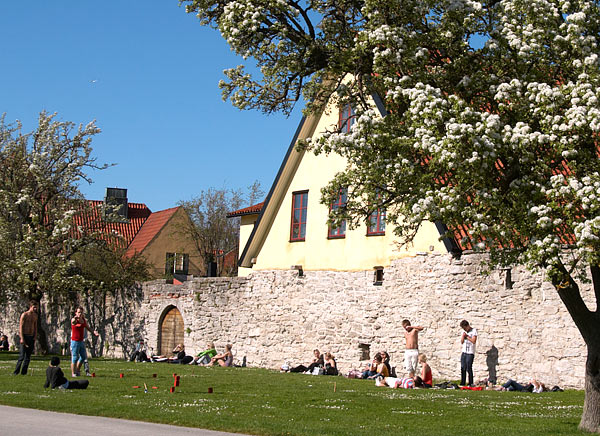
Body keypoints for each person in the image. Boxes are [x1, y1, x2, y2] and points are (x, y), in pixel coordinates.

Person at [70, 306, 99, 377]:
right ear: (76, 313)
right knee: (75, 357)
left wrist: (94, 332)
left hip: (81, 341)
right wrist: (75, 319)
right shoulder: (74, 319)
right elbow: (73, 322)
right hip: (75, 341)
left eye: (81, 312)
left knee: (83, 357)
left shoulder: (83, 320)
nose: (80, 314)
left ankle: (77, 370)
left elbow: (88, 327)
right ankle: (73, 373)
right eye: (79, 312)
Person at [13, 300, 39, 375]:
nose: (35, 309)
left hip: (31, 336)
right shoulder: (24, 315)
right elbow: (21, 327)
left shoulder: (35, 316)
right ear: (30, 307)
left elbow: (35, 326)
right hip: (25, 335)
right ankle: (16, 372)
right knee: (22, 356)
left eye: (36, 307)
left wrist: (35, 336)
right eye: (34, 307)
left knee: (28, 356)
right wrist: (22, 338)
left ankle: (24, 372)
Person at [460, 319, 477, 386]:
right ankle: (463, 382)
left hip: (470, 352)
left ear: (467, 326)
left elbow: (473, 341)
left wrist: (467, 337)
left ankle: (470, 382)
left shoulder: (474, 331)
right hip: (464, 351)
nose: (464, 329)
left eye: (465, 328)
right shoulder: (464, 332)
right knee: (463, 367)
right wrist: (463, 337)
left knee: (468, 367)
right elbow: (462, 342)